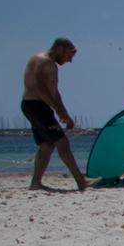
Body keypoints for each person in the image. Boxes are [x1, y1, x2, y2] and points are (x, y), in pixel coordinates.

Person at [21, 38, 88, 192]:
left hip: (37, 106)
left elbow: (54, 92)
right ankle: (81, 182)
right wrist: (58, 111)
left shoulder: (49, 63)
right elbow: (39, 88)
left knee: (47, 145)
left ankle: (35, 183)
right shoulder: (43, 61)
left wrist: (64, 113)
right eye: (69, 55)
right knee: (62, 142)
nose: (70, 60)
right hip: (35, 105)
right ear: (59, 49)